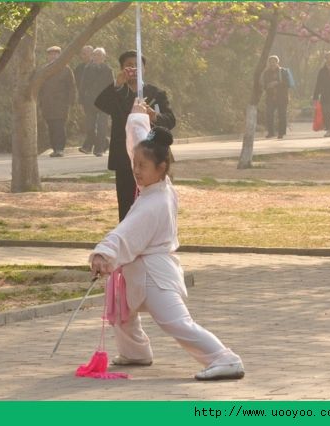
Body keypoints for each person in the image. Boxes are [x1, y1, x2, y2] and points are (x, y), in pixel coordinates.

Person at [89, 102, 245, 381]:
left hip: (155, 276)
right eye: (134, 165)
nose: (136, 170)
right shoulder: (156, 185)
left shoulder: (154, 202)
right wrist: (138, 116)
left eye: (142, 167)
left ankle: (226, 358)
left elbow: (127, 232)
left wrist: (104, 253)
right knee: (123, 312)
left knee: (178, 324)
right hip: (142, 272)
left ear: (161, 167)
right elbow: (137, 145)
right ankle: (136, 352)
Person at [95, 50, 176, 221]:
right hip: (124, 156)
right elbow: (100, 103)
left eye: (137, 65)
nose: (133, 69)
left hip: (152, 155)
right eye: (128, 66)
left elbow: (170, 120)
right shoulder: (117, 92)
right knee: (126, 203)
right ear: (122, 69)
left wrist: (155, 116)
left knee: (153, 200)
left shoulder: (156, 93)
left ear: (144, 69)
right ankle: (127, 239)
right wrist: (117, 84)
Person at [38, 46, 76, 157]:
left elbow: (72, 87)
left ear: (60, 55)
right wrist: (40, 102)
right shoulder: (44, 69)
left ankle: (60, 148)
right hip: (47, 104)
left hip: (61, 104)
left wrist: (71, 102)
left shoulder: (66, 69)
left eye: (55, 54)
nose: (53, 56)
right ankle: (55, 148)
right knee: (51, 127)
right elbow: (39, 87)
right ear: (47, 56)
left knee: (59, 126)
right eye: (51, 54)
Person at [78, 47, 114, 156]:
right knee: (90, 126)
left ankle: (99, 149)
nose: (97, 57)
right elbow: (82, 86)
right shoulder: (87, 68)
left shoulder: (108, 70)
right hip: (90, 102)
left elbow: (112, 87)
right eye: (95, 55)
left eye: (99, 55)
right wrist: (80, 101)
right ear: (92, 57)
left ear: (104, 57)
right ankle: (89, 146)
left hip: (104, 102)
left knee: (102, 126)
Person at [261, 55, 290, 139]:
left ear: (277, 62)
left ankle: (281, 133)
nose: (272, 63)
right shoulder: (266, 73)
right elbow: (264, 85)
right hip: (270, 97)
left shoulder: (283, 71)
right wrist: (268, 85)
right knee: (269, 114)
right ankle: (271, 132)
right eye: (270, 62)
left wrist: (277, 83)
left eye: (274, 62)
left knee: (282, 115)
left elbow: (287, 84)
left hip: (282, 97)